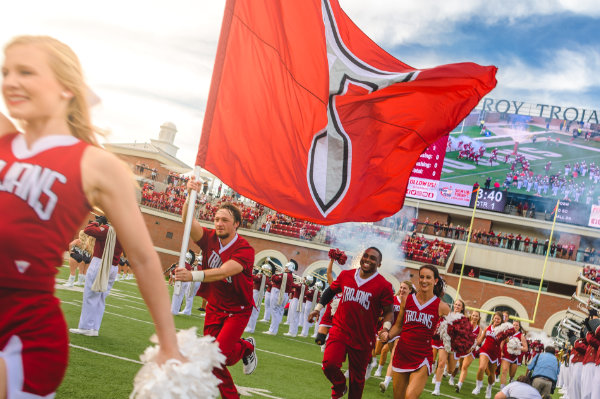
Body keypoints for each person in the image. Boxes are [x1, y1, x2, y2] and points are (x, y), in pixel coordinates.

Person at [0, 35, 182, 399]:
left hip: (21, 329)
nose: (10, 82)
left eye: (26, 72)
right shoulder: (5, 138)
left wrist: (168, 342)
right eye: (5, 72)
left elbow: (145, 257)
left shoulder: (96, 164)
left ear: (66, 87)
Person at [174, 179, 257, 399]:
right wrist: (190, 195)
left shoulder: (245, 249)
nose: (219, 223)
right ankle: (246, 347)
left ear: (236, 224)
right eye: (217, 219)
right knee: (223, 358)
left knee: (214, 357)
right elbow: (187, 220)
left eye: (225, 220)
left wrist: (192, 275)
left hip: (238, 309)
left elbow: (225, 271)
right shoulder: (210, 238)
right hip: (215, 306)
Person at [308, 247, 394, 399]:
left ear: (379, 264)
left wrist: (386, 329)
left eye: (373, 258)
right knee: (329, 364)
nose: (367, 260)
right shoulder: (346, 275)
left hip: (363, 336)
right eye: (365, 256)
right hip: (340, 330)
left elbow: (388, 312)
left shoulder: (384, 285)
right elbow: (330, 291)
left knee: (357, 381)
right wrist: (317, 308)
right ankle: (340, 387)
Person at [379, 264, 450, 399]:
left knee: (410, 396)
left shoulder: (442, 306)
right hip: (402, 353)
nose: (424, 280)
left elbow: (454, 330)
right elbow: (399, 326)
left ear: (435, 281)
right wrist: (387, 334)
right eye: (421, 277)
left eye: (428, 277)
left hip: (422, 357)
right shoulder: (407, 300)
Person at [69, 216, 124, 336]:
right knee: (100, 298)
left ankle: (85, 327)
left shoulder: (108, 229)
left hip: (100, 263)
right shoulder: (125, 232)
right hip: (113, 266)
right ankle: (94, 327)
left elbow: (87, 230)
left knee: (90, 295)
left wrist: (98, 222)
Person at [379, 280, 416, 393]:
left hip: (403, 333)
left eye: (405, 288)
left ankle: (386, 382)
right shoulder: (393, 300)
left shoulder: (412, 303)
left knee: (394, 356)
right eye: (401, 287)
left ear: (410, 290)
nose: (402, 290)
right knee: (377, 351)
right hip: (390, 331)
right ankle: (373, 364)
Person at [432, 299, 465, 395]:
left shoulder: (464, 319)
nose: (457, 306)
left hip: (455, 346)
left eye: (459, 305)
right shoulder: (447, 314)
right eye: (456, 304)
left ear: (462, 308)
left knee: (450, 370)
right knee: (441, 363)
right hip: (445, 342)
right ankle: (437, 388)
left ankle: (456, 366)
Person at [473, 311, 503, 398]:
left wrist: (505, 334)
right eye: (495, 318)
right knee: (482, 367)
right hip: (485, 350)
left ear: (501, 321)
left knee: (491, 374)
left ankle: (489, 388)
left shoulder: (502, 330)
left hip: (495, 353)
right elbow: (481, 340)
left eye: (498, 319)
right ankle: (478, 386)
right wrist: (473, 344)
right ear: (493, 318)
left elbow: (507, 340)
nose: (496, 320)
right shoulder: (487, 328)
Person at [456, 310, 484, 393]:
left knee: (465, 366)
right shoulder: (466, 325)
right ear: (471, 316)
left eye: (476, 316)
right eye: (473, 315)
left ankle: (459, 385)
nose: (475, 317)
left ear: (479, 318)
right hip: (462, 348)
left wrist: (471, 348)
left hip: (471, 350)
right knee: (460, 365)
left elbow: (478, 341)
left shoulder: (479, 329)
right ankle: (452, 377)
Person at [499, 320, 528, 388]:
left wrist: (517, 348)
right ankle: (502, 388)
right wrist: (501, 351)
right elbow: (502, 342)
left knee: (512, 375)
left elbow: (526, 348)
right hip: (506, 355)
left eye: (516, 325)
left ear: (519, 327)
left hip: (515, 357)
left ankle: (511, 380)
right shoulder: (508, 333)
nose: (515, 326)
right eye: (514, 325)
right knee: (504, 370)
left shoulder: (521, 335)